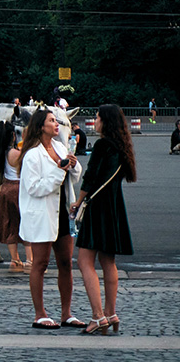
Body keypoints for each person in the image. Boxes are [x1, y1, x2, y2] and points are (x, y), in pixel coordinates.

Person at [72, 104, 136, 335]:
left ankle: (98, 316)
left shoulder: (101, 144)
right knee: (109, 262)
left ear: (105, 121)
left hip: (98, 207)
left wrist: (78, 202)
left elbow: (91, 177)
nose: (94, 121)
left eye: (97, 117)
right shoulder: (122, 146)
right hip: (114, 207)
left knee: (84, 261)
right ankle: (111, 313)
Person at [18, 107, 85, 329]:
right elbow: (34, 188)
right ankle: (40, 313)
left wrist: (73, 167)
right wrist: (59, 171)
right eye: (51, 121)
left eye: (57, 121)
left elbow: (72, 178)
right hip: (41, 214)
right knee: (41, 263)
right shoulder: (32, 154)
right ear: (40, 126)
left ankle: (67, 313)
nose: (56, 124)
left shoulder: (59, 146)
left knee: (66, 262)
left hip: (62, 213)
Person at [0, 121, 30, 272]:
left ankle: (15, 260)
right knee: (25, 225)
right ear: (13, 135)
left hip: (6, 189)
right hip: (19, 189)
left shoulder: (1, 153)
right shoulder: (17, 153)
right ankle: (30, 259)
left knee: (11, 226)